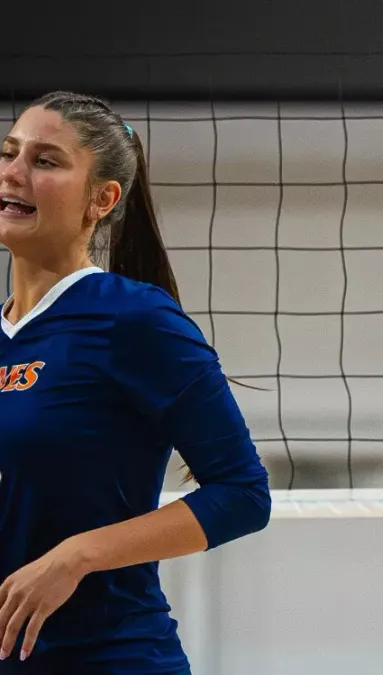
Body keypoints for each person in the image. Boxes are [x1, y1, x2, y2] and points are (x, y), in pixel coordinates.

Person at [0, 91, 271, 674]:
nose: (12, 173)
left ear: (102, 198)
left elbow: (244, 495)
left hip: (111, 658)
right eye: (8, 153)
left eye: (44, 161)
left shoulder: (135, 319)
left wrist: (78, 555)